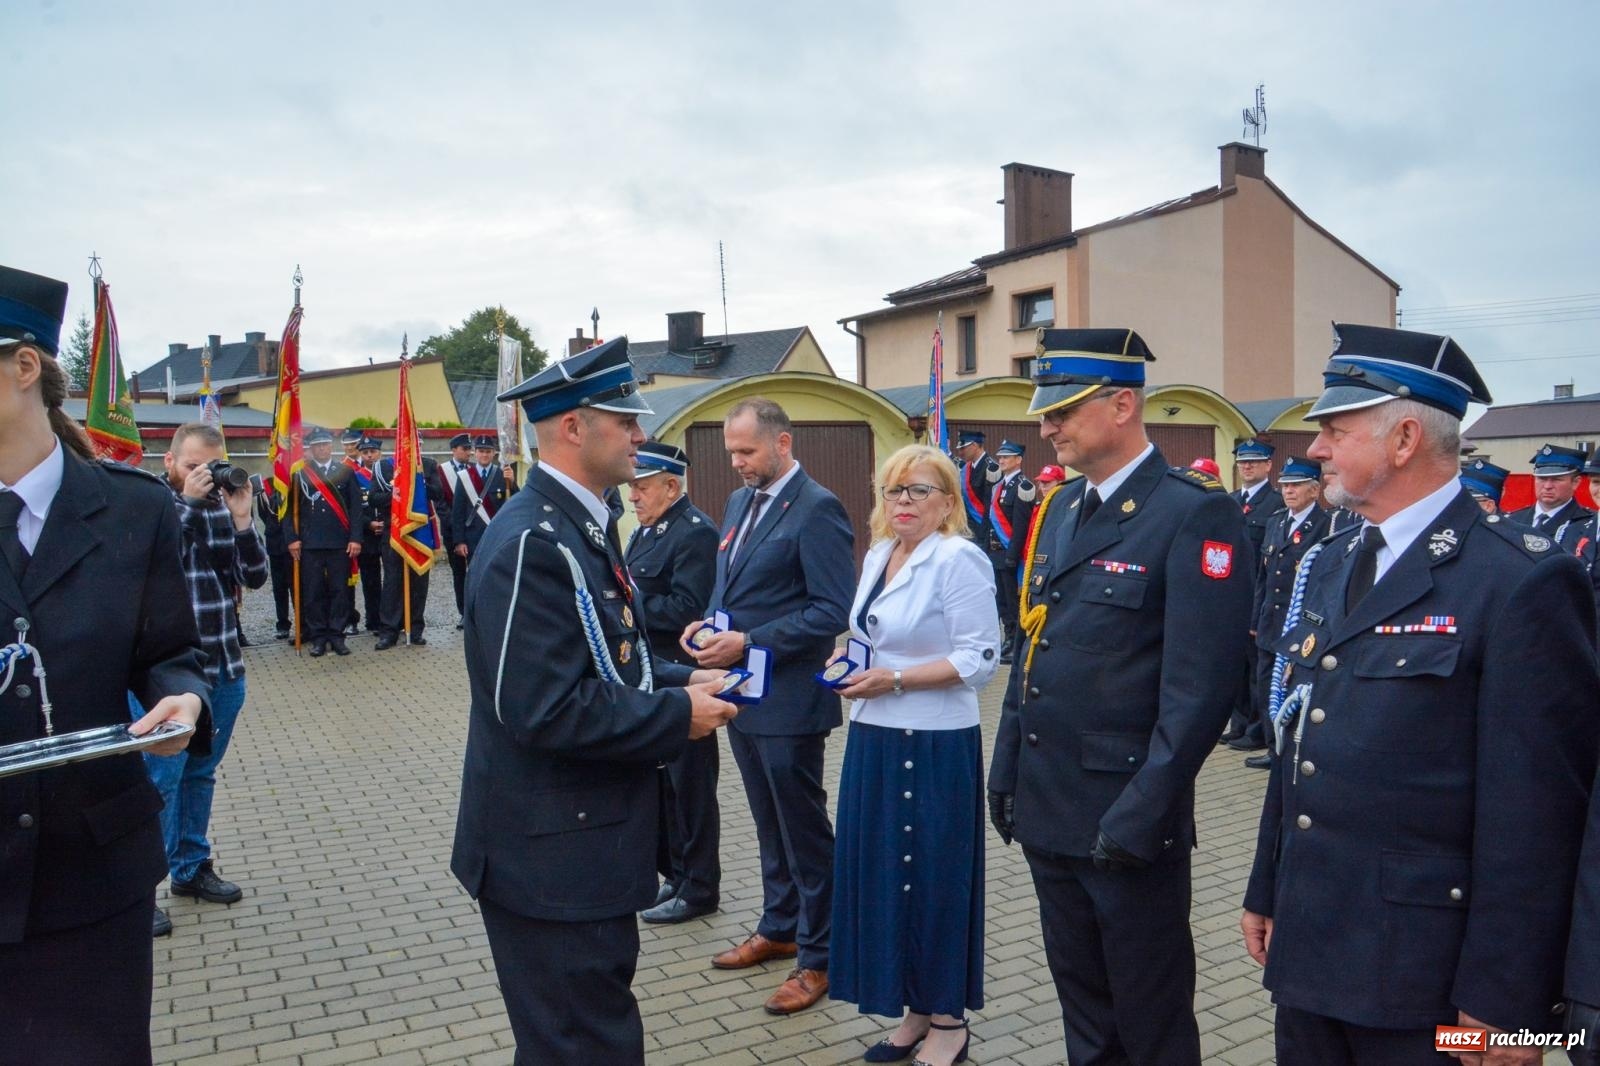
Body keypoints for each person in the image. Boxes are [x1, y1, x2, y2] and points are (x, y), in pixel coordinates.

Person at [1240, 323, 1599, 1065]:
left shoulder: (1520, 581)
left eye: (1334, 430)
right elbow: (1301, 737)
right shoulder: (1338, 558)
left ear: (1404, 438)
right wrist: (1267, 886)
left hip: (1425, 976)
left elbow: (1536, 815)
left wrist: (1508, 1002)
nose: (1315, 449)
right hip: (1312, 947)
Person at [450, 338, 738, 1066]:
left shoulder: (579, 525)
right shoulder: (534, 542)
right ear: (574, 428)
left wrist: (679, 680)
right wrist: (679, 718)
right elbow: (541, 708)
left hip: (581, 849)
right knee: (582, 1047)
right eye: (625, 419)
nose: (641, 435)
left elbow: (609, 659)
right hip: (550, 860)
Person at [988, 327, 1251, 1066]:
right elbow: (1032, 650)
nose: (1046, 428)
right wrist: (1006, 770)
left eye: (1062, 411)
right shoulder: (1062, 509)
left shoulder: (1192, 512)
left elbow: (1201, 689)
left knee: (1151, 1018)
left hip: (1127, 820)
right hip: (1050, 810)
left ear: (1122, 405)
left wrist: (1143, 814)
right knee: (1086, 1013)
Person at [0, 264, 210, 1063]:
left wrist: (183, 704)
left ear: (25, 368)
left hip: (93, 875)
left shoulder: (133, 507)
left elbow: (170, 655)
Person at [829, 444, 1002, 1066]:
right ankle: (914, 1013)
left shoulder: (960, 559)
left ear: (948, 502)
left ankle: (950, 1022)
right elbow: (871, 636)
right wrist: (850, 664)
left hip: (931, 743)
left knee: (930, 877)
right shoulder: (880, 555)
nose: (904, 502)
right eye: (894, 491)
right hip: (874, 733)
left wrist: (894, 680)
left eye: (919, 490)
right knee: (885, 878)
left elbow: (979, 658)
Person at [683, 397, 855, 1016]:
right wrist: (708, 625)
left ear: (783, 444)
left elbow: (831, 611)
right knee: (767, 821)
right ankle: (780, 927)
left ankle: (822, 955)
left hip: (790, 699)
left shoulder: (818, 508)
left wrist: (751, 640)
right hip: (742, 694)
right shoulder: (737, 502)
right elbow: (732, 583)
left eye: (747, 450)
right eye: (732, 450)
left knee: (803, 827)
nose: (736, 462)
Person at [134, 422, 268, 936]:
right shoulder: (150, 506)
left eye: (211, 466)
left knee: (200, 773)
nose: (204, 476)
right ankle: (138, 889)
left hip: (222, 667)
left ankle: (190, 868)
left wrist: (241, 519)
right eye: (193, 466)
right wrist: (190, 502)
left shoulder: (219, 506)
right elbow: (155, 560)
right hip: (163, 676)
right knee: (157, 780)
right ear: (168, 463)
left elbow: (254, 577)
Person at [625, 442, 723, 925]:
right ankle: (678, 873)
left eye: (641, 487)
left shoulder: (694, 533)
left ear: (670, 485)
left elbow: (688, 606)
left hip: (685, 678)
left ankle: (702, 886)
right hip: (653, 675)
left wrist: (625, 607)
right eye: (631, 488)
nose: (633, 497)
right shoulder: (645, 532)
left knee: (692, 786)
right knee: (665, 784)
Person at [1242, 457, 1328, 770]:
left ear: (1314, 490)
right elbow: (1263, 578)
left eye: (1296, 485)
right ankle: (1272, 745)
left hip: (1300, 626)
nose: (1288, 491)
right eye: (1285, 485)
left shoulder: (1325, 525)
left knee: (1295, 687)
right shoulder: (1277, 522)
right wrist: (1255, 620)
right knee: (1266, 684)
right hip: (1270, 623)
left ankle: (1293, 745)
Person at [1221, 438, 1280, 752]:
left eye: (1254, 462)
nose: (1247, 467)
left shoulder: (1277, 503)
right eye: (1243, 462)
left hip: (1259, 599)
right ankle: (1239, 724)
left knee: (1258, 669)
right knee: (1235, 668)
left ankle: (1258, 730)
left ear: (1268, 465)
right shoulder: (1229, 501)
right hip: (1231, 597)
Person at [287, 425, 363, 657]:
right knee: (313, 592)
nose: (322, 449)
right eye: (317, 445)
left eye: (325, 444)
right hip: (310, 544)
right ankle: (319, 636)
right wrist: (292, 539)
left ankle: (337, 635)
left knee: (340, 591)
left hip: (339, 542)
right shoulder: (300, 474)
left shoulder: (345, 472)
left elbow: (356, 509)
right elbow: (289, 511)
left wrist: (356, 538)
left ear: (332, 446)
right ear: (310, 449)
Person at [371, 444, 439, 649]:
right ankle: (389, 631)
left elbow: (438, 493)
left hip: (419, 533)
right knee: (393, 582)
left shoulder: (427, 465)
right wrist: (399, 492)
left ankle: (415, 628)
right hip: (394, 532)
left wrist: (419, 483)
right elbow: (374, 498)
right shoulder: (382, 467)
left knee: (419, 582)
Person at [985, 439, 1036, 661]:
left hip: (1009, 553)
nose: (1002, 460)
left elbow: (1021, 527)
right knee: (1002, 601)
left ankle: (1017, 643)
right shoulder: (999, 486)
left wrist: (1012, 556)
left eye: (1007, 457)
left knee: (1013, 602)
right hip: (995, 553)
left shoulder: (1024, 487)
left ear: (1018, 460)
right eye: (1000, 457)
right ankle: (1008, 639)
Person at [1508, 443, 1592, 549]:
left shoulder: (1589, 525)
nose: (1547, 486)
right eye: (1541, 479)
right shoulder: (1512, 520)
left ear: (1576, 482)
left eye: (1557, 479)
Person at [450, 434, 514, 567]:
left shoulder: (503, 475)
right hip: (473, 536)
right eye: (481, 451)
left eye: (488, 451)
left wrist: (512, 483)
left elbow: (516, 503)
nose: (484, 455)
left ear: (494, 453)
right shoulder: (465, 476)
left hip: (497, 534)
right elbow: (458, 511)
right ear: (475, 452)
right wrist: (459, 541)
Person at [434, 432, 472, 628]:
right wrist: (457, 527)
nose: (469, 452)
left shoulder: (473, 471)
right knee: (459, 573)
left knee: (476, 571)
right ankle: (463, 612)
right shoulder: (442, 472)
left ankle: (476, 611)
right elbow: (440, 504)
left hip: (474, 530)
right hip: (452, 532)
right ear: (454, 450)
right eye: (465, 449)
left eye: (469, 449)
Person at [350, 436, 386, 636]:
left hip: (388, 532)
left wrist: (385, 523)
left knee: (391, 580)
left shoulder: (388, 473)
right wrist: (369, 524)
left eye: (373, 451)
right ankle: (373, 621)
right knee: (370, 581)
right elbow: (353, 509)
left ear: (379, 452)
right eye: (365, 452)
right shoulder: (355, 476)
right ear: (360, 454)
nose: (369, 455)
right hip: (367, 536)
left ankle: (390, 619)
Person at [254, 473, 294, 640]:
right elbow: (264, 513)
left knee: (297, 586)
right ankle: (283, 624)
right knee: (279, 587)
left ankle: (303, 623)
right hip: (275, 543)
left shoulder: (294, 481)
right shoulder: (266, 484)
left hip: (293, 543)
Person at [953, 430, 1000, 537]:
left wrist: (984, 534)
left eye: (963, 448)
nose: (960, 452)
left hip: (982, 530)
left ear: (974, 445)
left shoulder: (991, 468)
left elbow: (991, 506)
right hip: (967, 528)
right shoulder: (966, 468)